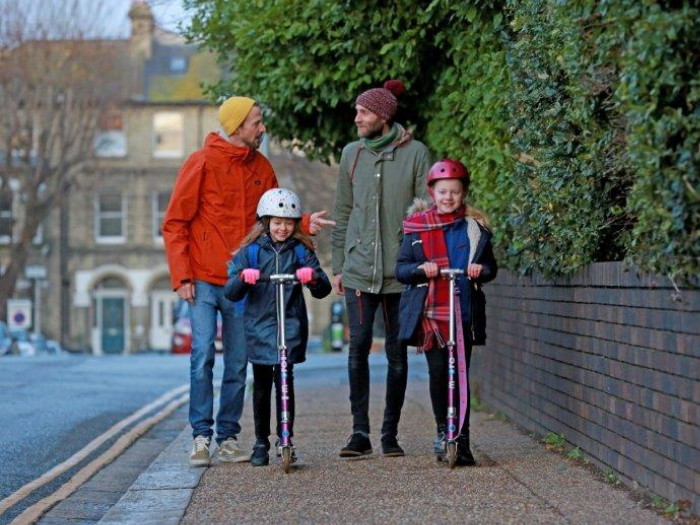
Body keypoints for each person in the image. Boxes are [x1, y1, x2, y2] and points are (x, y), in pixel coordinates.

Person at [163, 96, 334, 467]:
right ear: (238, 125)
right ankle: (200, 436)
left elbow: (271, 218)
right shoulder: (201, 163)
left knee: (239, 362)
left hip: (248, 281)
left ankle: (227, 437)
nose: (263, 128)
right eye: (257, 122)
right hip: (205, 280)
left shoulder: (262, 167)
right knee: (203, 355)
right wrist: (182, 276)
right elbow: (175, 222)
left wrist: (303, 225)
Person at [331, 80, 432, 457]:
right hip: (358, 270)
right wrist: (338, 263)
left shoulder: (417, 153)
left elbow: (426, 213)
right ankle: (360, 434)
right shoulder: (351, 154)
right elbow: (343, 211)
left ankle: (390, 434)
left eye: (364, 112)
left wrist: (420, 263)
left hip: (399, 273)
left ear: (384, 117)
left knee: (396, 351)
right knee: (357, 347)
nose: (357, 118)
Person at [395, 159, 497, 466]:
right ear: (432, 192)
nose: (448, 197)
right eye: (442, 191)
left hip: (463, 311)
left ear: (463, 192)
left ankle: (461, 440)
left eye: (454, 191)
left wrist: (481, 270)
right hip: (433, 315)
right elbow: (400, 270)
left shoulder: (475, 230)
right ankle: (444, 430)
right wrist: (419, 269)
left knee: (461, 376)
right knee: (440, 373)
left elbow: (491, 268)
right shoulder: (415, 229)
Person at [224, 188, 332, 466]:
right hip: (259, 324)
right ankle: (261, 440)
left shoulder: (300, 250)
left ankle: (286, 437)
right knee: (261, 383)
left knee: (285, 379)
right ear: (265, 222)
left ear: (295, 224)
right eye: (277, 222)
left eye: (288, 223)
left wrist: (312, 279)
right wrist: (244, 278)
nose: (282, 228)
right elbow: (230, 291)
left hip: (290, 322)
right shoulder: (251, 251)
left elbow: (322, 288)